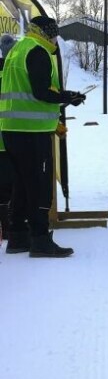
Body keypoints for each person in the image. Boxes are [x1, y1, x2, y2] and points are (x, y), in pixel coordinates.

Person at [0, 16, 87, 257]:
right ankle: (40, 239)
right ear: (46, 33)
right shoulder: (37, 51)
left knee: (21, 184)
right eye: (54, 34)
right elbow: (41, 91)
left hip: (12, 128)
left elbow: (28, 88)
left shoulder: (18, 48)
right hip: (32, 131)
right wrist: (67, 97)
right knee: (38, 186)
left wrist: (64, 96)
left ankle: (18, 236)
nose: (55, 39)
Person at [0, 33, 17, 247]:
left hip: (9, 137)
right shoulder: (15, 71)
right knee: (13, 184)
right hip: (13, 136)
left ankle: (6, 225)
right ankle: (11, 226)